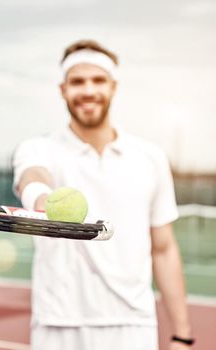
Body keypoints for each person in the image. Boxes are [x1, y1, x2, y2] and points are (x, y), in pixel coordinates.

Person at [12, 39, 194, 350]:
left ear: (113, 87)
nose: (87, 90)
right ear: (63, 90)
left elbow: (163, 249)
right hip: (57, 324)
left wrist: (182, 334)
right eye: (77, 81)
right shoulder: (37, 148)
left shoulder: (150, 157)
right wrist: (42, 200)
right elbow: (33, 176)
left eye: (97, 80)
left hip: (133, 325)